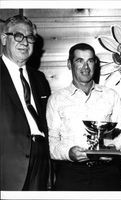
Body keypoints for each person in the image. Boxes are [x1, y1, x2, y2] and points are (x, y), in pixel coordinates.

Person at [46, 43, 121, 191]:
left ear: (95, 64)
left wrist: (113, 149)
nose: (86, 67)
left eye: (90, 61)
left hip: (107, 174)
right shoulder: (56, 99)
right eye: (79, 61)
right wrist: (69, 153)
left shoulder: (110, 95)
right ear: (69, 64)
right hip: (70, 175)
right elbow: (51, 141)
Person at [0, 15, 51, 190]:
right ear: (4, 38)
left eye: (30, 38)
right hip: (8, 164)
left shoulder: (40, 79)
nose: (25, 42)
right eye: (18, 36)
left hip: (41, 161)